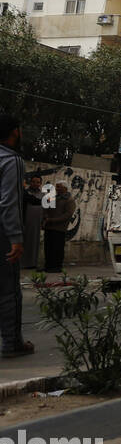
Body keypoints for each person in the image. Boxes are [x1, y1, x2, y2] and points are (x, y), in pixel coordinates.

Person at [0, 114, 33, 358]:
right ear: (15, 132)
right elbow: (8, 202)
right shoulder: (11, 160)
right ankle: (12, 343)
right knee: (9, 290)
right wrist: (16, 238)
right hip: (2, 234)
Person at [42, 181, 75, 274]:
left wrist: (52, 220)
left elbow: (67, 215)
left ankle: (56, 267)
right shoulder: (54, 198)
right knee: (48, 248)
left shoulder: (69, 200)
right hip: (49, 227)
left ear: (65, 188)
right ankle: (48, 266)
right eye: (56, 187)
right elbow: (47, 209)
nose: (56, 189)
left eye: (59, 187)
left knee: (57, 248)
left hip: (59, 228)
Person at [21, 174, 41, 269]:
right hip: (24, 222)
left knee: (34, 243)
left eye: (38, 182)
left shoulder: (43, 194)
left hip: (36, 224)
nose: (35, 184)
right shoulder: (25, 193)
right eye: (33, 182)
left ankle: (32, 263)